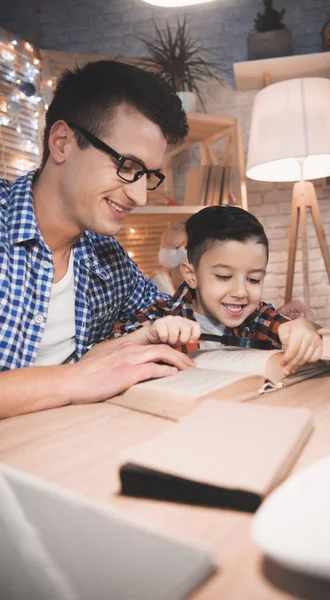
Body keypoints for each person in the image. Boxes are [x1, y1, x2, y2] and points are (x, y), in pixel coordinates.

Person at [0, 60, 194, 419]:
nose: (140, 196)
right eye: (128, 167)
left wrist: (272, 318)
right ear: (62, 142)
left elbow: (176, 312)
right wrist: (75, 379)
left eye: (147, 176)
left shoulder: (105, 256)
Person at [100, 206, 322, 376]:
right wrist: (148, 336)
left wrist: (308, 328)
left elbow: (315, 339)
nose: (240, 292)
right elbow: (94, 360)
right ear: (191, 275)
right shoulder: (160, 318)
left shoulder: (258, 317)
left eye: (254, 279)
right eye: (224, 277)